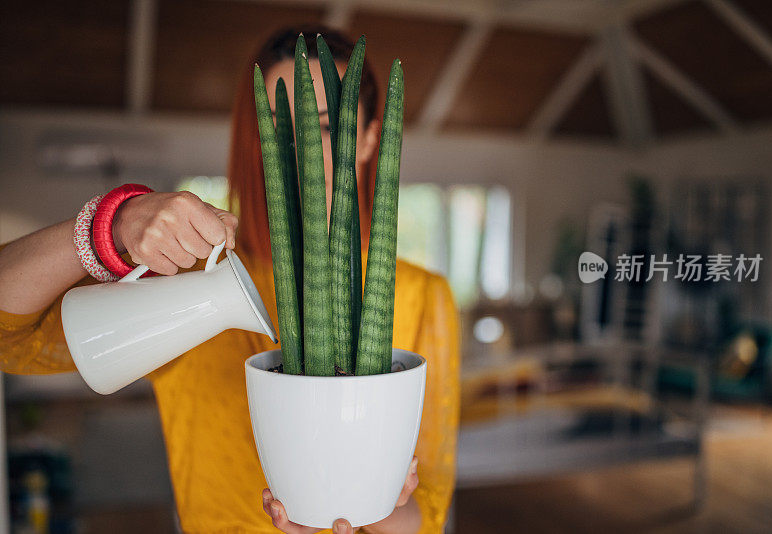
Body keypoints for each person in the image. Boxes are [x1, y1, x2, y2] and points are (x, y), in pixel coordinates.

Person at [0, 26, 460, 534]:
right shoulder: (188, 274)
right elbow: (10, 339)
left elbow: (428, 512)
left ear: (372, 139)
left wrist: (376, 502)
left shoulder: (424, 296)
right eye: (281, 130)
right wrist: (113, 222)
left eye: (328, 128)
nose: (302, 151)